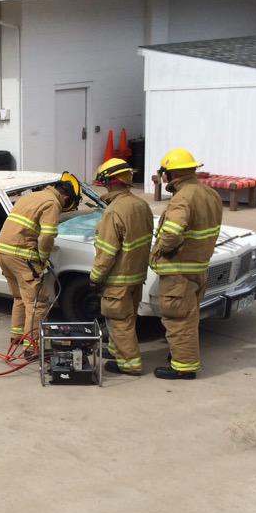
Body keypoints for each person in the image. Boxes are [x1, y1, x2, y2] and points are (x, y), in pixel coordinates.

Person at [149, 148, 223, 380]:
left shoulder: (182, 198)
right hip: (198, 267)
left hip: (178, 270)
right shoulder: (210, 194)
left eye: (163, 173)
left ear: (171, 174)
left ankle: (183, 367)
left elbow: (171, 234)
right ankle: (181, 356)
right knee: (189, 316)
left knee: (177, 318)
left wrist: (159, 250)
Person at [0, 172, 82, 355]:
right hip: (22, 255)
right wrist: (42, 258)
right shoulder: (52, 203)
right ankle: (32, 347)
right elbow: (48, 235)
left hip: (3, 252)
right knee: (37, 302)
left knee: (20, 297)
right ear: (66, 196)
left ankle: (17, 335)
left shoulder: (32, 197)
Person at [89, 158, 154, 376]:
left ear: (111, 182)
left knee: (119, 322)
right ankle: (117, 352)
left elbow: (107, 252)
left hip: (118, 279)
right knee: (128, 318)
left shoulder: (114, 211)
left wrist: (95, 277)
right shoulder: (141, 205)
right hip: (137, 276)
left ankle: (129, 364)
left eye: (105, 183)